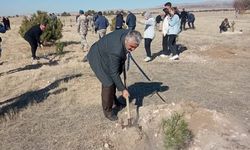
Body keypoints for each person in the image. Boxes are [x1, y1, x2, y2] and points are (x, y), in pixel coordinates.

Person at [87, 29, 143, 121]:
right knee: (108, 82)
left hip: (106, 52)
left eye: (135, 47)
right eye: (131, 47)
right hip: (96, 56)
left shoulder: (129, 34)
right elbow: (114, 73)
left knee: (114, 78)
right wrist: (123, 89)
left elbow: (116, 70)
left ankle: (115, 102)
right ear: (126, 40)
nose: (132, 50)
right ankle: (108, 110)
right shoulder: (116, 50)